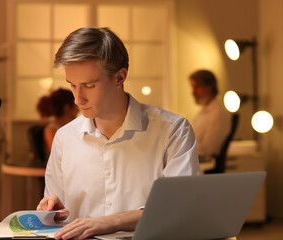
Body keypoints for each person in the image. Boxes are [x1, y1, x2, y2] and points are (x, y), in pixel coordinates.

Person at [36, 27, 200, 240]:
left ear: (119, 77)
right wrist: (52, 213)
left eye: (89, 85)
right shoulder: (65, 138)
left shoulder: (173, 131)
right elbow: (55, 215)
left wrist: (109, 223)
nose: (77, 99)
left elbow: (180, 208)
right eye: (73, 85)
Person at [189, 70, 232, 160]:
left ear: (209, 87)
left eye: (196, 87)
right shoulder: (202, 113)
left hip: (203, 164)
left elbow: (207, 150)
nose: (193, 92)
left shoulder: (218, 113)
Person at [36, 88, 79, 154]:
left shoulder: (74, 127)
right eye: (76, 106)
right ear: (67, 107)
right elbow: (58, 155)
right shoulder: (51, 130)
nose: (78, 110)